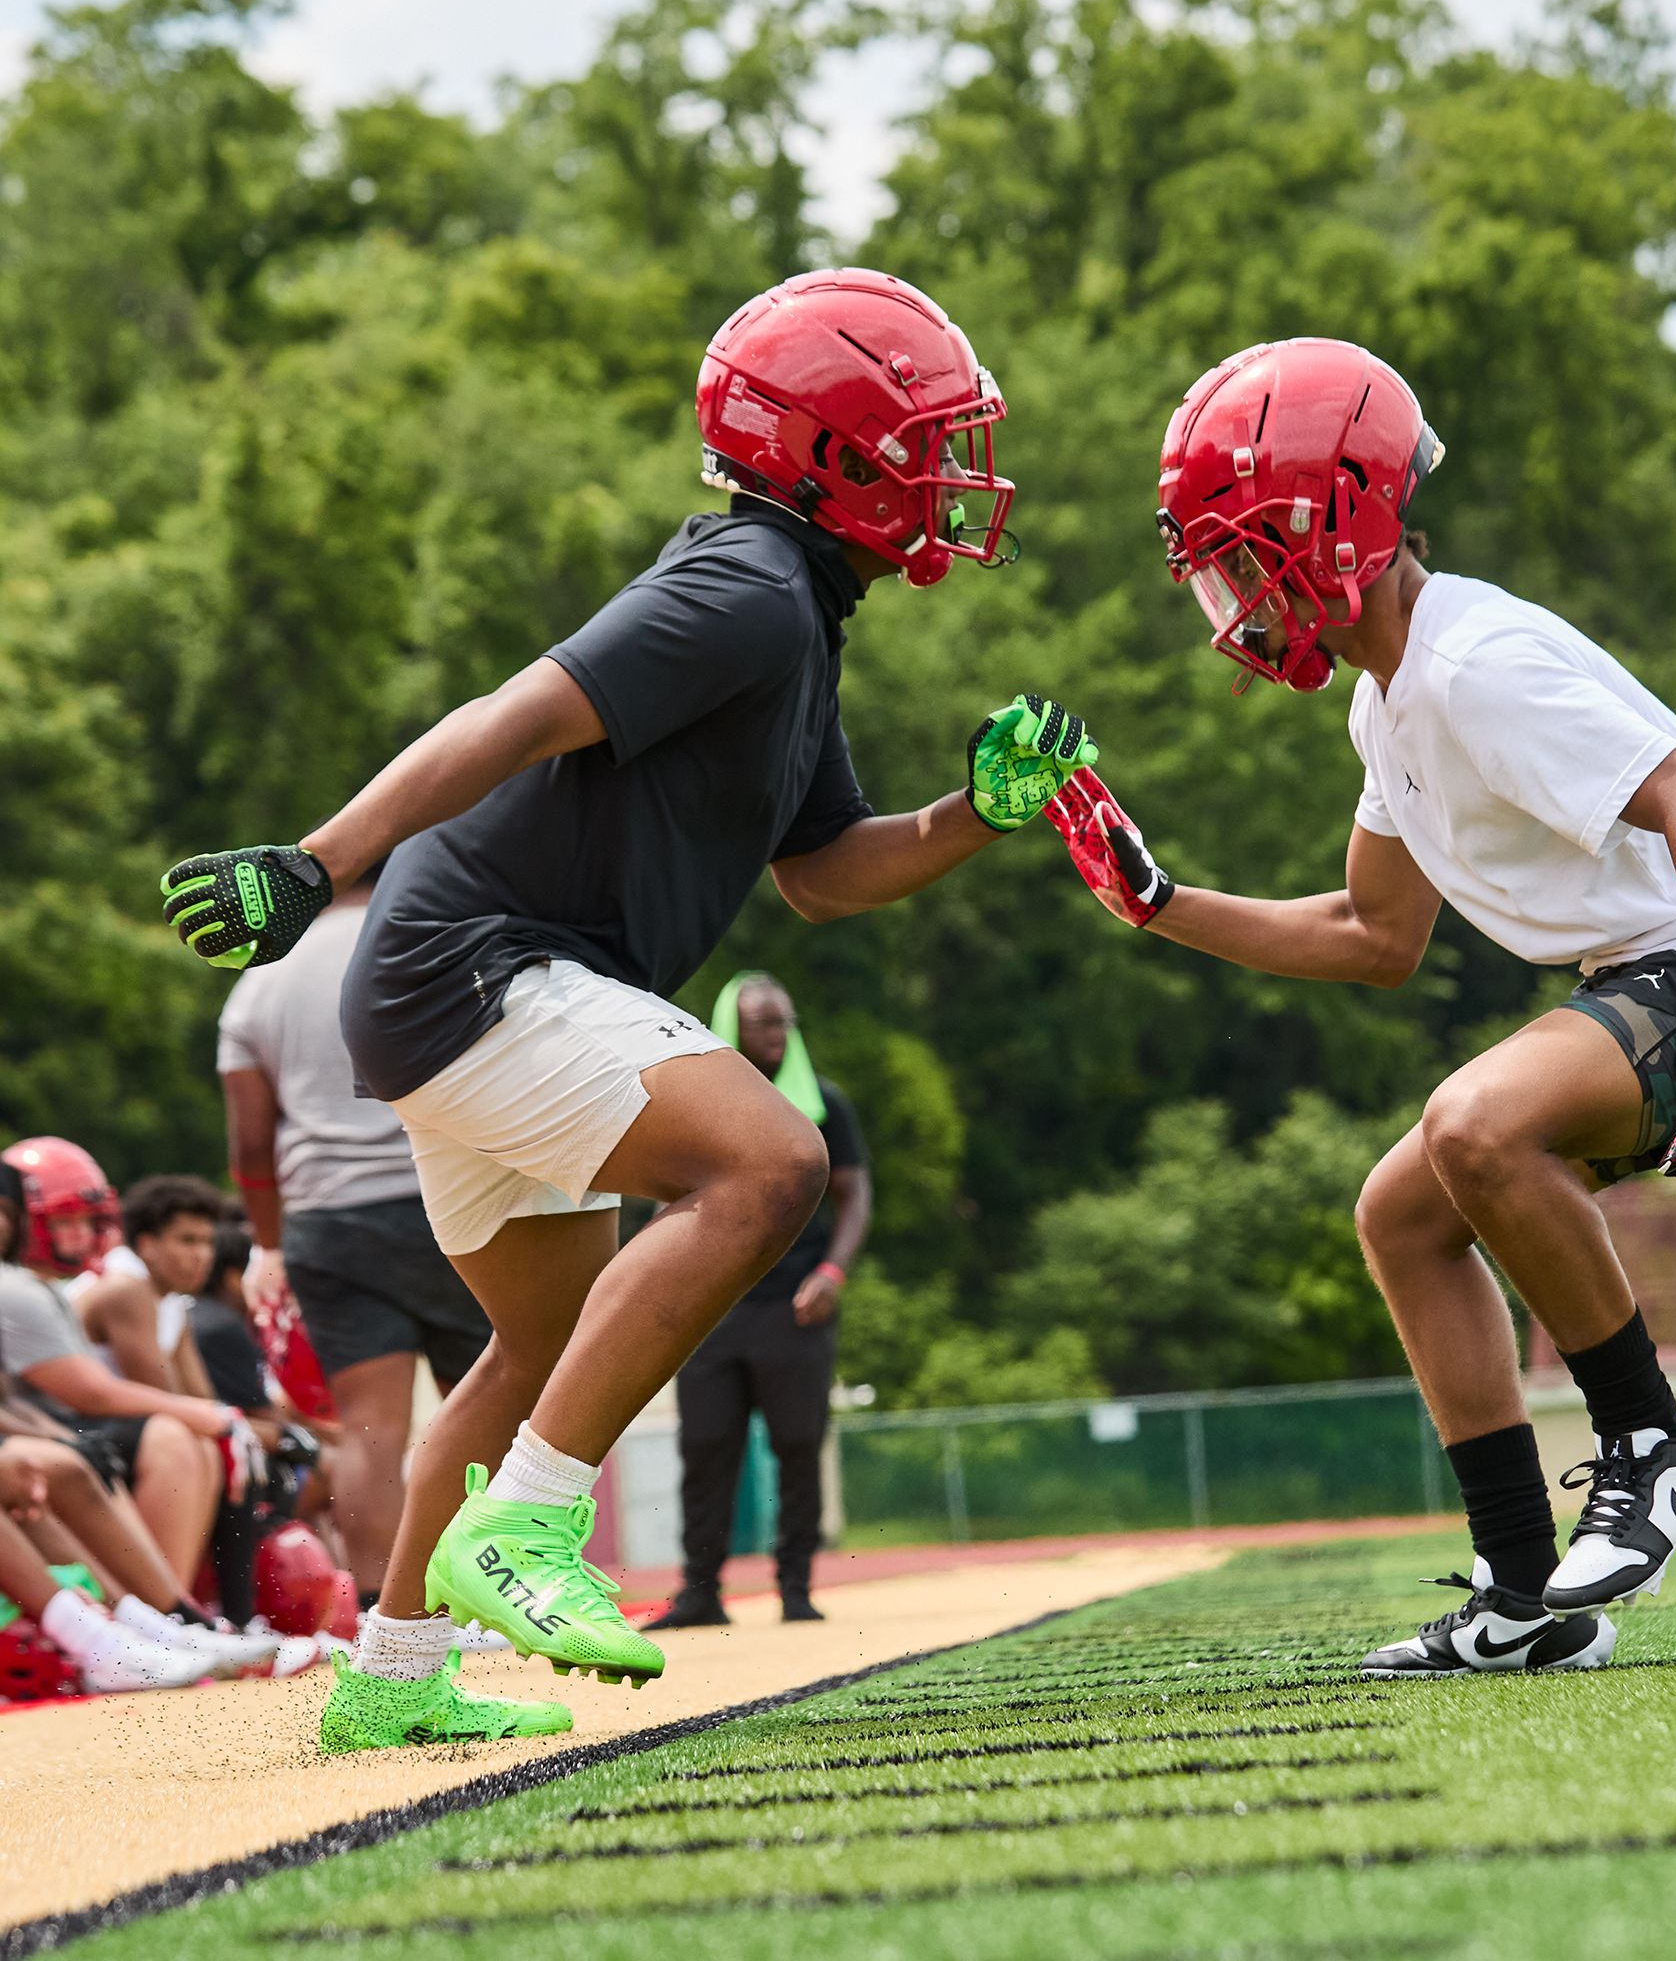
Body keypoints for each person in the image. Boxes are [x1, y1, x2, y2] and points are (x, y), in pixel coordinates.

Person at [159, 267, 1098, 1752]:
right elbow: (514, 715)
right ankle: (531, 1531)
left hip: (474, 982)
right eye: (919, 444)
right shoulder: (746, 585)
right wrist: (315, 859)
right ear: (827, 453)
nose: (944, 478)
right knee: (771, 1162)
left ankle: (392, 1676)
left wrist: (975, 814)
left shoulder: (797, 617)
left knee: (539, 1349)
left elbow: (822, 878)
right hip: (480, 963)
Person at [1053, 336, 1676, 1677]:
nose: (1230, 599)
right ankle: (1527, 1595)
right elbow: (1373, 936)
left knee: (1474, 1125)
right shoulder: (1391, 701)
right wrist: (1162, 902)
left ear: (1331, 526)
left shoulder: (1473, 665)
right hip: (1653, 970)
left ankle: (1657, 1447)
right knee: (1403, 1212)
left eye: (1243, 555)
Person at [216, 856, 491, 1615]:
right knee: (492, 1402)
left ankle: (388, 1614)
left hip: (328, 1224)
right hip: (446, 1198)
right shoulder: (432, 941)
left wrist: (267, 1245)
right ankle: (502, 1591)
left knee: (369, 1436)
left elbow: (249, 1146)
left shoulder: (257, 985)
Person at [0, 1161, 283, 1680]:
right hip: (70, 1426)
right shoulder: (114, 1289)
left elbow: (192, 1394)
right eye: (64, 1221)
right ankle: (155, 1625)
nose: (81, 1236)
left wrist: (229, 1420)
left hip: (54, 1431)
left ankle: (160, 1624)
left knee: (194, 1437)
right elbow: (95, 1393)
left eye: (87, 1220)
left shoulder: (163, 1298)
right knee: (175, 1436)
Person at [650, 973, 871, 1630]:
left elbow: (856, 1192)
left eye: (786, 1022)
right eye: (767, 1023)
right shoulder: (695, 1105)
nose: (780, 1035)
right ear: (733, 1028)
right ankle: (700, 1594)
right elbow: (663, 1195)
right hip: (714, 1310)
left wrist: (834, 1272)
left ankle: (796, 1587)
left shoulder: (823, 1104)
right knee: (707, 1447)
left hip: (795, 1309)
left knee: (799, 1445)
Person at [70, 1174, 226, 1396]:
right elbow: (165, 1399)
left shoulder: (172, 1299)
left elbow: (200, 1397)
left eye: (208, 1242)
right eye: (188, 1241)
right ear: (147, 1245)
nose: (204, 1255)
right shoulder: (124, 1287)